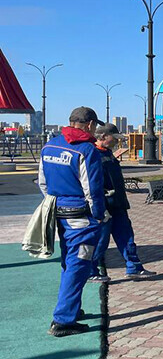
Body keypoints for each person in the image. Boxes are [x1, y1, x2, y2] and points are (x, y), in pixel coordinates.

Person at [39, 107, 106, 337]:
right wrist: (98, 214)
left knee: (69, 261)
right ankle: (63, 320)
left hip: (59, 213)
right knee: (79, 264)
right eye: (95, 126)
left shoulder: (49, 146)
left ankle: (72, 309)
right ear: (89, 125)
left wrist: (55, 204)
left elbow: (43, 183)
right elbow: (92, 189)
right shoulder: (87, 150)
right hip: (81, 217)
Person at [90, 123, 156, 282]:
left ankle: (134, 267)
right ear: (103, 137)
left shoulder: (108, 153)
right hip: (105, 206)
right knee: (100, 241)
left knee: (127, 237)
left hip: (118, 205)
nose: (116, 142)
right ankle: (91, 271)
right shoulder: (92, 154)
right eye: (114, 138)